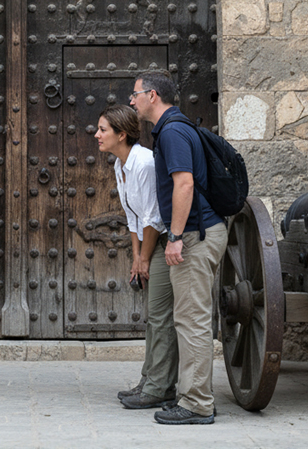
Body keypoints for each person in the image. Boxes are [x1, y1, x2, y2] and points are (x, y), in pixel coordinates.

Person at [129, 70, 226, 425]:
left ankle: (197, 403)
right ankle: (183, 393)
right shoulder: (174, 128)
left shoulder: (171, 131)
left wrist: (175, 236)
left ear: (152, 96)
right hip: (198, 232)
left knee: (192, 320)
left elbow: (184, 185)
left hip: (196, 236)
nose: (132, 101)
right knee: (185, 319)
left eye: (135, 94)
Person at [93, 105, 177, 410]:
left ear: (122, 134)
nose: (97, 134)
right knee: (154, 317)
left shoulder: (143, 164)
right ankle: (151, 381)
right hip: (148, 242)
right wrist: (135, 256)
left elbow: (153, 218)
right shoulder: (121, 164)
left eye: (103, 129)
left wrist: (145, 256)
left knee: (159, 315)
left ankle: (160, 387)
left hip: (164, 239)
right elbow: (133, 217)